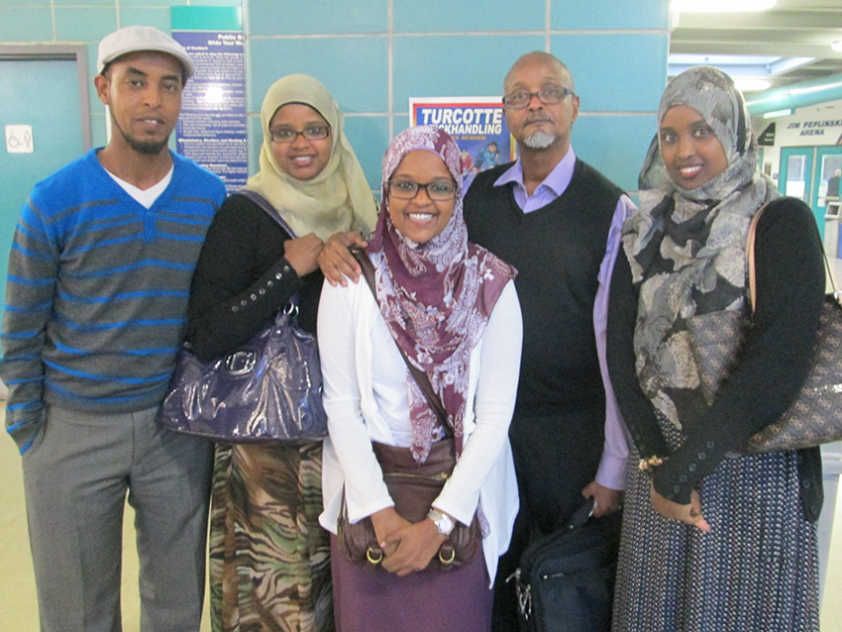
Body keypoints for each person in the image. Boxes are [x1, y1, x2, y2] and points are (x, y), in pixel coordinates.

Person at [0, 25, 226, 630]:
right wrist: (30, 430)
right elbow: (19, 327)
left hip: (174, 432)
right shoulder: (55, 200)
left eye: (168, 86)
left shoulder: (207, 197)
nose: (152, 100)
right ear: (104, 89)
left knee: (177, 603)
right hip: (71, 432)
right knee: (76, 609)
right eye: (135, 83)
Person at [607, 66, 823, 631]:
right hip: (658, 474)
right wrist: (658, 464)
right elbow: (619, 349)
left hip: (750, 471)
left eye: (702, 131)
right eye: (671, 135)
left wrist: (687, 471)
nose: (685, 151)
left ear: (733, 131)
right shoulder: (645, 228)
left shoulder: (779, 223)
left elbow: (776, 365)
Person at [186, 73, 376, 632]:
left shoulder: (357, 213)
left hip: (342, 442)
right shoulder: (244, 215)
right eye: (283, 132)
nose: (300, 145)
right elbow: (207, 333)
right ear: (266, 140)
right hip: (264, 452)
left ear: (334, 134)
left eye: (314, 130)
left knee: (331, 596)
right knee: (268, 604)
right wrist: (289, 271)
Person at [317, 125, 522, 631]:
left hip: (459, 502)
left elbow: (495, 417)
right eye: (405, 185)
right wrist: (379, 514)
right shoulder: (350, 279)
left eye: (439, 185)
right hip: (370, 503)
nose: (421, 200)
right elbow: (340, 404)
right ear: (385, 192)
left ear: (458, 192)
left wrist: (439, 523)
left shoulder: (490, 284)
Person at [461, 51, 631, 629]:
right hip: (490, 434)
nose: (535, 104)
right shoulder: (473, 199)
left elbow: (618, 347)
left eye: (550, 91)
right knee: (494, 589)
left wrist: (613, 465)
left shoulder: (611, 209)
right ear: (504, 111)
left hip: (573, 438)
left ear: (574, 107)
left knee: (564, 595)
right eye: (519, 95)